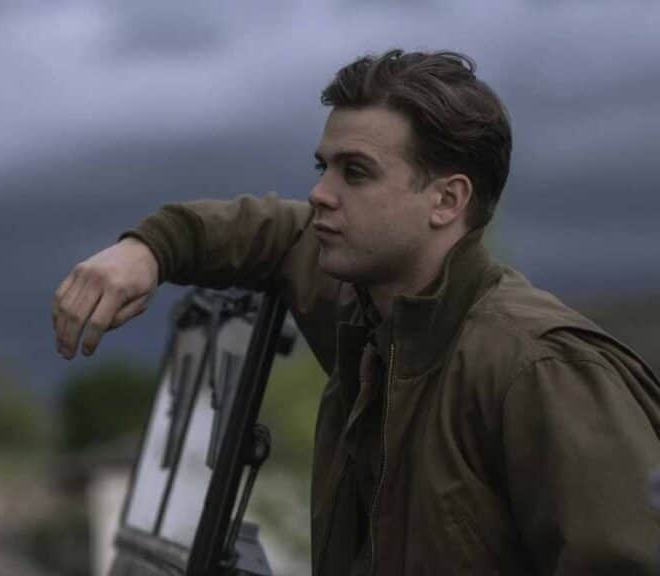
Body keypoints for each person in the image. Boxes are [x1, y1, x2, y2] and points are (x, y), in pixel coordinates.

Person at [52, 49, 660, 574]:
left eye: (356, 172)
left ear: (447, 200)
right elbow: (277, 233)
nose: (321, 193)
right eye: (324, 167)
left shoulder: (539, 366)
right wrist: (150, 248)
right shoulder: (372, 311)